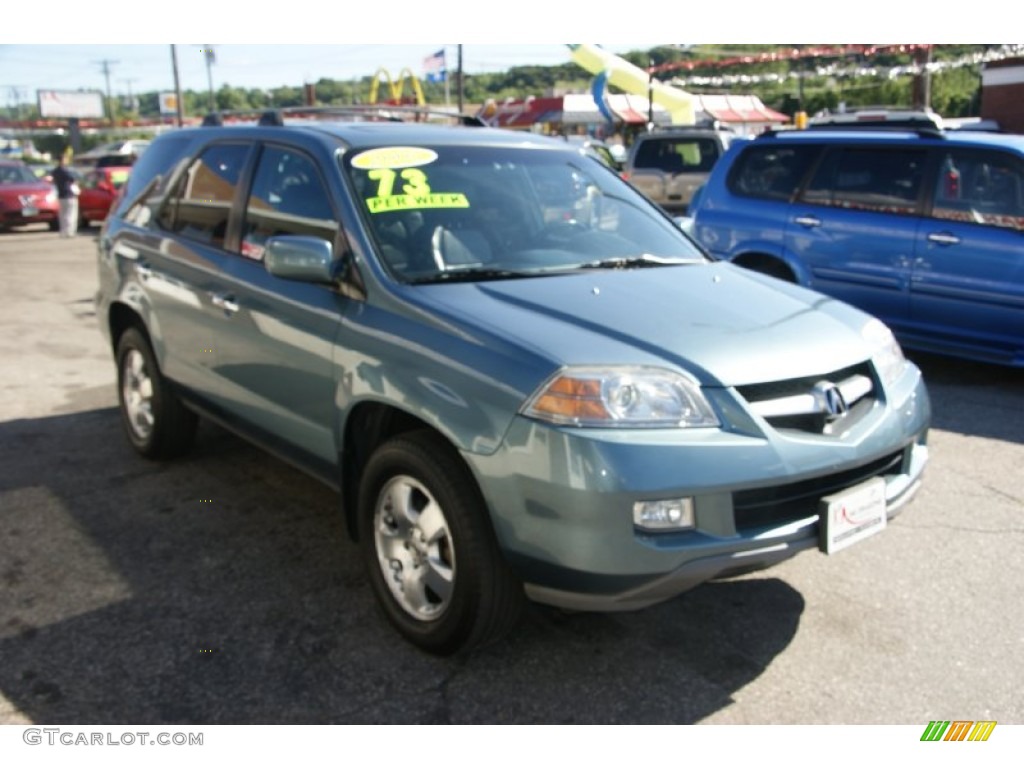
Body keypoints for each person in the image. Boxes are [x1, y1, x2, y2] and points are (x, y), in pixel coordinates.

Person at [50, 152, 79, 238]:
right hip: (69, 194)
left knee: (62, 215)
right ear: (62, 160)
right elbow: (73, 179)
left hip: (60, 195)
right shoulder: (65, 171)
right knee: (71, 214)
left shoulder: (55, 171)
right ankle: (70, 232)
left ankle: (63, 231)